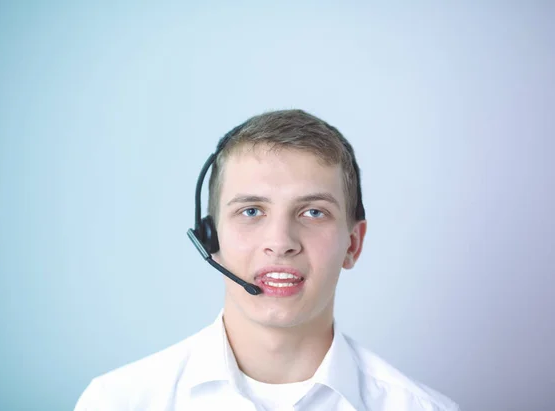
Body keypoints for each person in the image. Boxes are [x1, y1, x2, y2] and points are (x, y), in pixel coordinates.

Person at [74, 109, 459, 410]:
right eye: (252, 211)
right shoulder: (116, 402)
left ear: (353, 245)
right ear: (210, 238)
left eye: (313, 213)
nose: (280, 242)